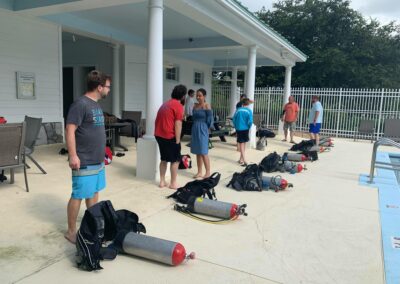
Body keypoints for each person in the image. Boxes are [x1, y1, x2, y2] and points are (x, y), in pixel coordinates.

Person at [64, 70, 111, 244]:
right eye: (107, 87)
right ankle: (71, 231)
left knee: (93, 192)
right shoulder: (80, 104)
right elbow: (70, 130)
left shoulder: (96, 105)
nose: (108, 90)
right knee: (79, 194)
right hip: (83, 159)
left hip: (97, 160)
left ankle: (93, 224)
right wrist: (73, 155)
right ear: (99, 87)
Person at [154, 84, 187, 189]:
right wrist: (177, 140)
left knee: (163, 159)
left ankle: (162, 182)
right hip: (169, 136)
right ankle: (173, 183)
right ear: (183, 96)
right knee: (175, 160)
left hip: (159, 135)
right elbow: (178, 124)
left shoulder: (165, 104)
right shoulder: (178, 106)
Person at [191, 88, 214, 179]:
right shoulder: (194, 106)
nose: (198, 97)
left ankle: (207, 172)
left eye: (200, 95)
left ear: (204, 96)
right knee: (198, 152)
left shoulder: (206, 106)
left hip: (203, 128)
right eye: (197, 95)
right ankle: (199, 172)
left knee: (204, 151)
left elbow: (210, 119)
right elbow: (193, 118)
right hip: (195, 128)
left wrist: (208, 128)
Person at [233, 98, 253, 166]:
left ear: (242, 103)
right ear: (248, 104)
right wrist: (249, 127)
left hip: (238, 128)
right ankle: (244, 159)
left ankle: (241, 159)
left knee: (242, 143)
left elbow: (234, 119)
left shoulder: (238, 110)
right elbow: (250, 121)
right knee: (243, 143)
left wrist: (236, 126)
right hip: (245, 128)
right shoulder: (249, 111)